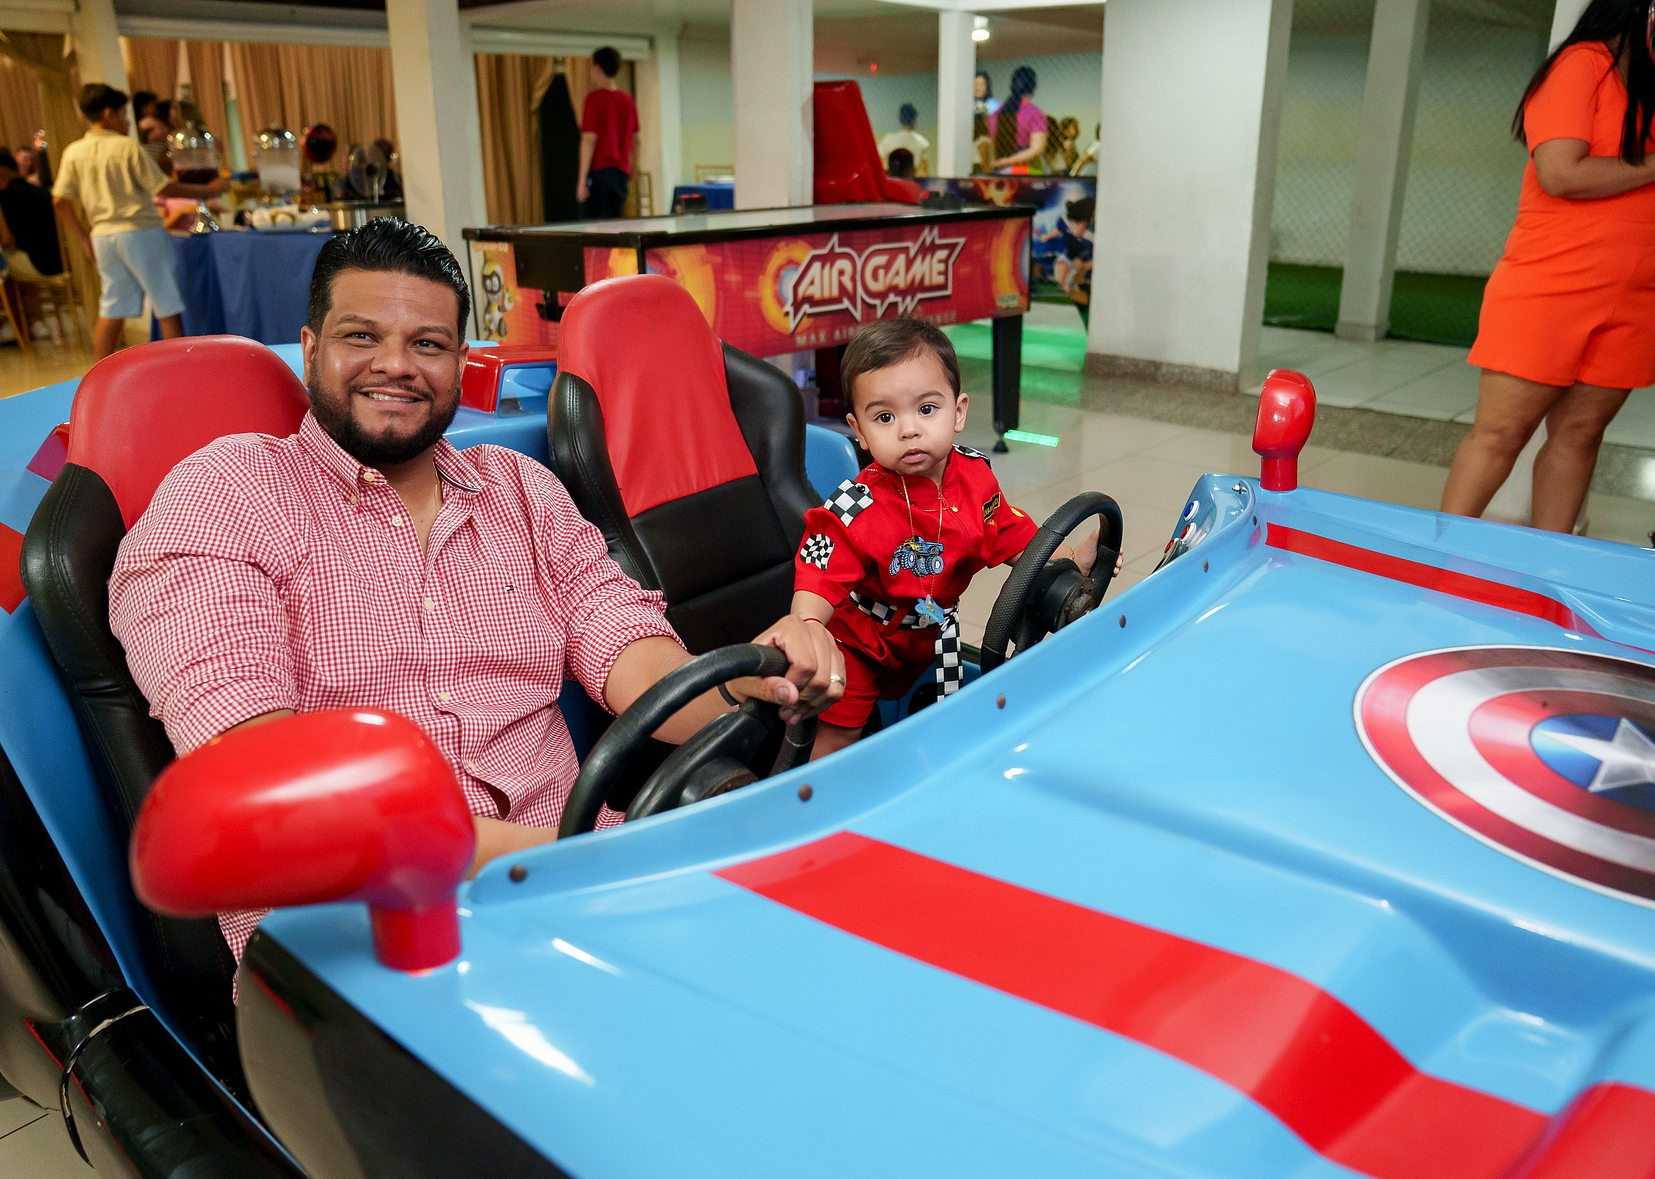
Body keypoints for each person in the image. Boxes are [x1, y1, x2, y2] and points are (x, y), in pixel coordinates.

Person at [108, 218, 843, 964]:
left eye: (427, 344)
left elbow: (637, 659)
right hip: (367, 938)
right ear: (310, 349)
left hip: (587, 885)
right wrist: (582, 863)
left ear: (461, 362)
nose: (396, 366)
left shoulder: (519, 490)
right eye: (361, 336)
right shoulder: (227, 493)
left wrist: (766, 682)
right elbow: (274, 790)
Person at [791, 318, 1098, 760]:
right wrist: (807, 625)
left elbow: (1010, 533)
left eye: (926, 409)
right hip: (857, 644)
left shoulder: (975, 476)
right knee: (839, 737)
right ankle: (815, 794)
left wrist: (1067, 559)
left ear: (958, 411)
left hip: (927, 632)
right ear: (859, 431)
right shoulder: (855, 506)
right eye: (884, 417)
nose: (908, 429)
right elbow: (818, 568)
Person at [1441, 0, 1655, 532]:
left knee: (1581, 434)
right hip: (1551, 283)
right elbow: (1561, 174)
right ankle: (1436, 564)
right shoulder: (1580, 65)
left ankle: (1551, 566)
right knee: (1501, 435)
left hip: (1638, 291)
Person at [51, 83, 226, 361]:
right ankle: (179, 368)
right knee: (166, 302)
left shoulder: (74, 151)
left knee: (112, 306)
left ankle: (97, 373)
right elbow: (163, 188)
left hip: (102, 235)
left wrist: (83, 237)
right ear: (108, 114)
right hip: (140, 232)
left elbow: (60, 200)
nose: (127, 123)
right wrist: (209, 190)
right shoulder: (126, 147)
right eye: (124, 115)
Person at [576, 46, 640, 219]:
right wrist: (631, 170)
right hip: (620, 175)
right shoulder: (628, 101)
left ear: (597, 68)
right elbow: (635, 141)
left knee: (593, 226)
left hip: (599, 174)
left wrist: (582, 179)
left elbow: (589, 139)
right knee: (614, 224)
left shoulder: (594, 99)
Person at [0, 149, 63, 280]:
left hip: (40, 266)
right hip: (62, 261)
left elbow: (7, 242)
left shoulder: (6, 198)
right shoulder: (40, 192)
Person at [990, 66, 1049, 174]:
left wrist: (999, 163)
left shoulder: (995, 115)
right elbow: (1036, 149)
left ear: (1012, 86)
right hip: (1026, 173)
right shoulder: (1035, 114)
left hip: (998, 172)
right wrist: (1008, 161)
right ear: (1033, 87)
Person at [877, 103, 930, 174]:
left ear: (900, 118)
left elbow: (880, 166)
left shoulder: (886, 140)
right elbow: (923, 171)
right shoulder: (922, 142)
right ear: (915, 120)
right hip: (911, 179)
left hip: (890, 179)